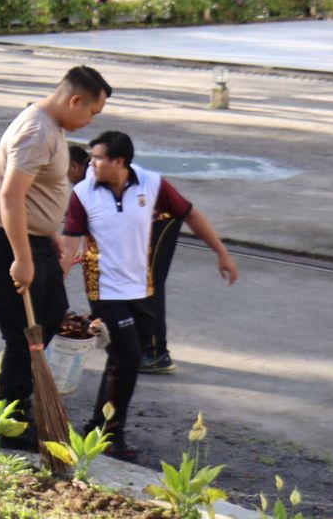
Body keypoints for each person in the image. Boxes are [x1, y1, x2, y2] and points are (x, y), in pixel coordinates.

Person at [61, 131, 238, 457]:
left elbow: (191, 214)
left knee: (123, 360)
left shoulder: (153, 184)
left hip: (143, 288)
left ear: (120, 162)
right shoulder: (83, 193)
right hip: (105, 290)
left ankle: (97, 429)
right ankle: (111, 435)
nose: (92, 164)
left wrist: (221, 253)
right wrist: (55, 274)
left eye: (98, 158)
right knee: (127, 357)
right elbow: (70, 241)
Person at [0, 65, 112, 445]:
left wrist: (49, 238)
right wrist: (22, 258)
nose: (90, 121)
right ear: (74, 99)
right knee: (24, 336)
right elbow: (12, 196)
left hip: (36, 242)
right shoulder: (36, 130)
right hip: (8, 243)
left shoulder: (53, 127)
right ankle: (11, 423)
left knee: (48, 320)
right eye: (91, 112)